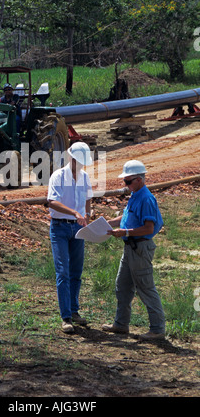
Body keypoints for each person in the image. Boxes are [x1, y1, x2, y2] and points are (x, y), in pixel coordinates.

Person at [103, 160, 165, 341]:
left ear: (139, 180)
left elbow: (148, 228)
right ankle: (121, 325)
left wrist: (126, 232)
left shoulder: (146, 198)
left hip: (140, 248)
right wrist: (111, 223)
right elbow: (129, 215)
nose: (126, 185)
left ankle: (157, 329)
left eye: (128, 182)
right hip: (131, 248)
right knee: (122, 287)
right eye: (125, 182)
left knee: (146, 288)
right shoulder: (136, 195)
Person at [47, 142, 93, 333]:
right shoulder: (58, 176)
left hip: (78, 228)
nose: (80, 165)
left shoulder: (84, 177)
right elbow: (52, 201)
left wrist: (88, 215)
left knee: (76, 272)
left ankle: (74, 311)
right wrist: (75, 213)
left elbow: (89, 197)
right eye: (78, 161)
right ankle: (65, 317)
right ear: (70, 158)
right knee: (63, 272)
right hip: (60, 227)